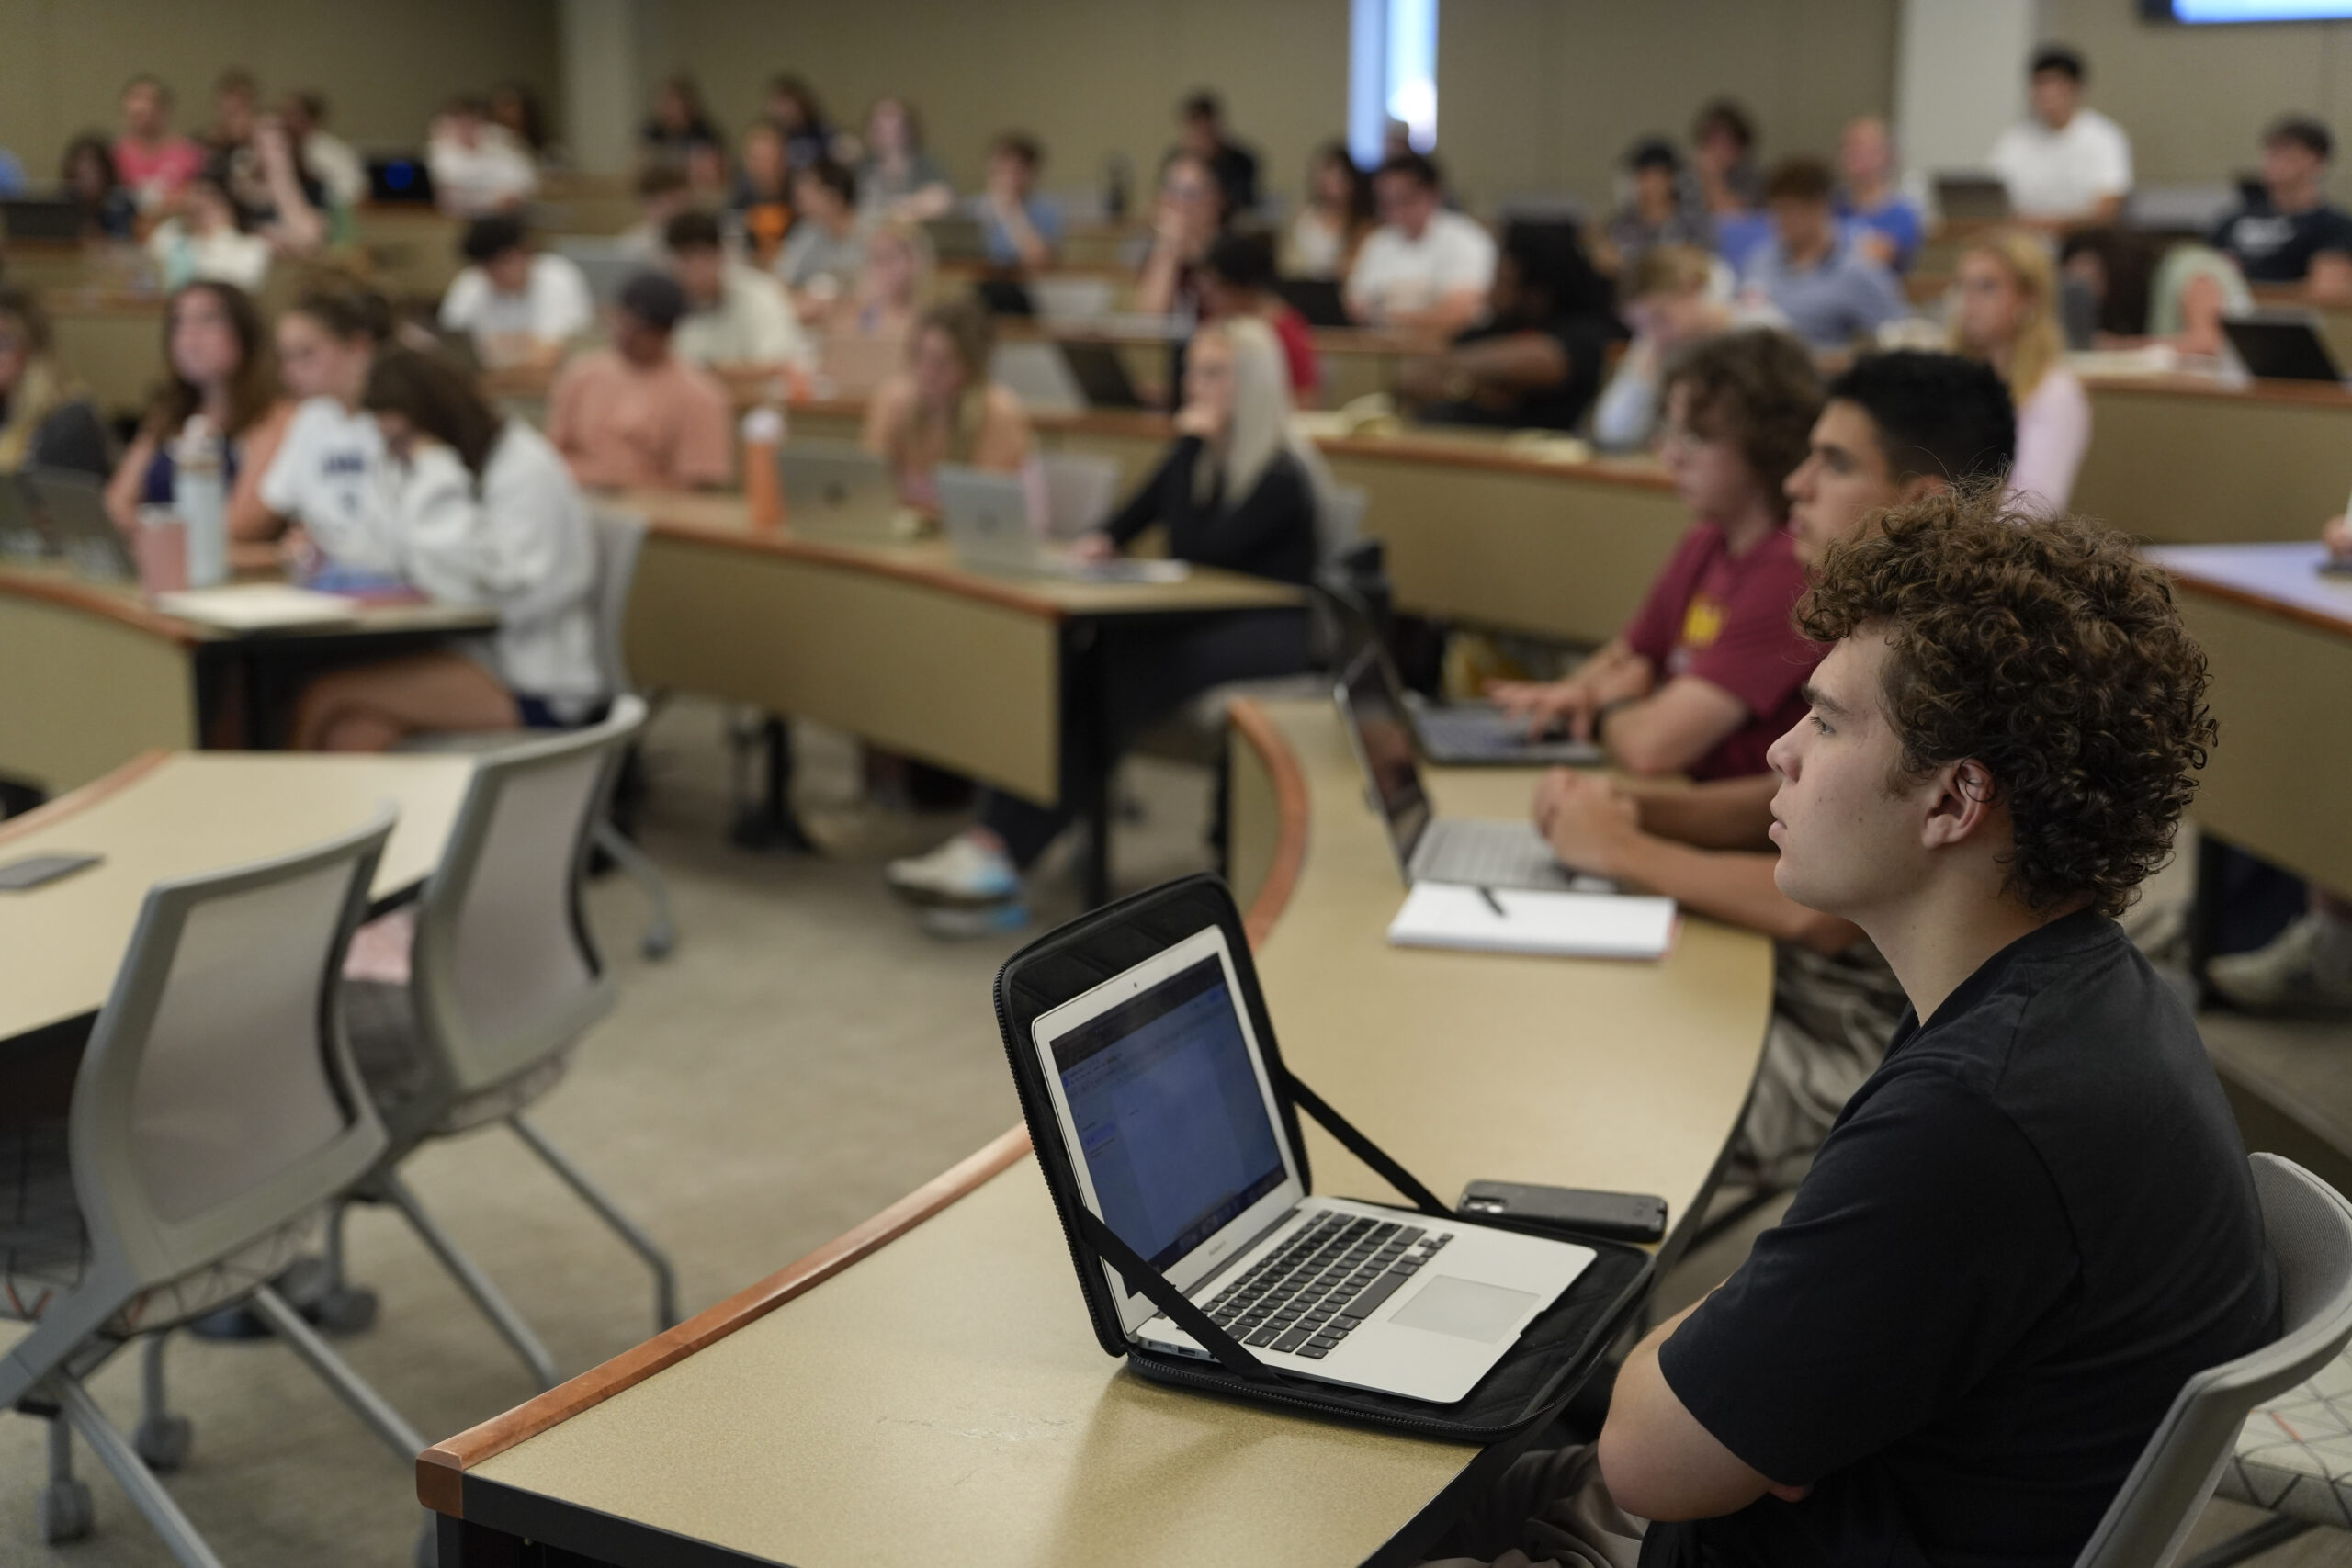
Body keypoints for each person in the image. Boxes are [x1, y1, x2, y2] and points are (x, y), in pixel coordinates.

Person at [1438, 492, 2275, 1568]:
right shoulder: (2085, 994)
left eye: (1828, 722)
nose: (1782, 752)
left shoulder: (1981, 1113)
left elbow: (1649, 1460)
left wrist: (1706, 1352)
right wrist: (1754, 1364)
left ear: (1952, 801)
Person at [1533, 352, 2016, 1188]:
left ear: (1922, 502)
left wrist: (1623, 851)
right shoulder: (1899, 623)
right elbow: (1802, 796)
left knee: (1576, 1098)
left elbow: (1827, 910)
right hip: (1825, 992)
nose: (1796, 484)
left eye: (1833, 463)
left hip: (1866, 1033)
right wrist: (1639, 812)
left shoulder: (1957, 665)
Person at [884, 317, 1317, 929]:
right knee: (1072, 661)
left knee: (1115, 675)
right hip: (1198, 617)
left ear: (1252, 385)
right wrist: (1096, 543)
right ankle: (993, 842)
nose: (1193, 384)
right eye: (1192, 370)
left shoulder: (1280, 475)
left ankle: (1005, 856)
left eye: (1213, 373)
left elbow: (1201, 548)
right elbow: (1124, 522)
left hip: (1273, 633)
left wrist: (1193, 445)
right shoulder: (1193, 455)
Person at [1487, 329, 1822, 781]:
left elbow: (1652, 749)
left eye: (1697, 438)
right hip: (1674, 788)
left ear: (1767, 444)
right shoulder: (1707, 540)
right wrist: (1572, 695)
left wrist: (1609, 705)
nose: (1671, 457)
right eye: (1670, 433)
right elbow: (1629, 656)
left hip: (1730, 819)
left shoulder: (1789, 570)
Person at [287, 349, 603, 749]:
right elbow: (389, 544)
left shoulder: (522, 468)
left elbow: (488, 585)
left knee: (325, 694)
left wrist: (435, 474)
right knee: (352, 734)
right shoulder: (414, 460)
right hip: (471, 652)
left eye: (402, 440)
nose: (396, 455)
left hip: (531, 673)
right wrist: (327, 550)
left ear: (434, 420)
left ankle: (285, 810)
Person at [103, 281, 290, 544]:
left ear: (246, 334)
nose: (189, 337)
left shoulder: (275, 417)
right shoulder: (168, 412)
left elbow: (240, 526)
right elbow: (116, 504)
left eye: (208, 320)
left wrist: (152, 533)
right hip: (158, 561)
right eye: (179, 323)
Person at [1403, 221, 1621, 433]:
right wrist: (1470, 389)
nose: (1491, 294)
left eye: (1504, 283)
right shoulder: (1488, 332)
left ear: (1537, 295)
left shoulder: (1583, 332)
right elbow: (1411, 378)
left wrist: (1461, 372)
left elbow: (1547, 359)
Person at [545, 272, 734, 492]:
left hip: (652, 515)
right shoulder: (582, 374)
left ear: (666, 332)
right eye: (624, 322)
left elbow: (697, 486)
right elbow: (553, 454)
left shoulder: (700, 395)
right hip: (574, 499)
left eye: (641, 329)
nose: (627, 334)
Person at [1949, 230, 2088, 513]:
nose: (1970, 300)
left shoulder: (2054, 391)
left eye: (1987, 287)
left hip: (1999, 547)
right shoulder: (1949, 378)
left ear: (2029, 299)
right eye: (1963, 286)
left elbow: (2031, 510)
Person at [257, 286, 394, 573]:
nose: (290, 372)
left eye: (306, 354)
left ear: (359, 347)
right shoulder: (310, 419)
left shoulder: (396, 422)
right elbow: (277, 509)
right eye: (286, 358)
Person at [1591, 244, 1776, 452]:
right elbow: (1613, 433)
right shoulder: (1655, 343)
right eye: (1642, 325)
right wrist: (1645, 377)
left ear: (1693, 288)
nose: (1655, 334)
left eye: (1660, 317)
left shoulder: (1759, 334)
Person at [860, 299, 1032, 512]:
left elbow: (984, 509)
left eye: (943, 362)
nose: (927, 373)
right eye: (920, 356)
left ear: (972, 367)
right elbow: (867, 490)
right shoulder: (893, 400)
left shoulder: (999, 412)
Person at [1736, 156, 1906, 359]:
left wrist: (1842, 361)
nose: (1780, 221)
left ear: (1819, 207)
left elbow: (1899, 339)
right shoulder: (1759, 261)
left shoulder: (1858, 272)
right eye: (1775, 211)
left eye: (1789, 210)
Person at [1345, 152, 1496, 334]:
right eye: (1386, 203)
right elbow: (1355, 304)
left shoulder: (1467, 239)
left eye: (1404, 200)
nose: (1395, 212)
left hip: (1448, 351)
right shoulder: (1378, 242)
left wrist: (1384, 315)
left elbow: (1459, 310)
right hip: (1381, 346)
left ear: (1433, 194)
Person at [2209, 115, 2352, 305]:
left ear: (2316, 161)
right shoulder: (2232, 220)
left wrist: (2243, 291)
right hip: (2231, 322)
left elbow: (2326, 291)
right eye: (2272, 152)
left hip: (2288, 325)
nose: (2276, 161)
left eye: (2287, 153)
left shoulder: (2333, 225)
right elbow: (2203, 279)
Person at [1989, 45, 2132, 230]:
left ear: (2076, 88)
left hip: (2079, 241)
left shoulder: (2104, 137)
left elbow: (2107, 210)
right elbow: (1991, 198)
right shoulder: (2016, 138)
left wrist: (2046, 225)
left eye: (2055, 84)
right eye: (2039, 84)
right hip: (2023, 241)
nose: (2046, 93)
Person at [2059, 225, 2248, 357]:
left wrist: (2117, 347)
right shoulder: (2135, 307)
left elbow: (2208, 343)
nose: (2089, 292)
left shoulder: (2189, 267)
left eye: (2092, 279)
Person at [438, 215, 594, 372]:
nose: (495, 273)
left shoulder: (559, 276)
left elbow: (550, 359)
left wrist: (495, 351)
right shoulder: (470, 282)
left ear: (526, 251)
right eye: (486, 266)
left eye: (502, 261)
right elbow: (450, 350)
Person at [666, 210, 810, 370]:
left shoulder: (760, 293)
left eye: (703, 257)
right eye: (686, 260)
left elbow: (776, 362)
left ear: (721, 254)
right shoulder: (668, 306)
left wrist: (710, 371)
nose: (696, 270)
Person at [0, 288, 111, 479]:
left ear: (33, 348)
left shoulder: (70, 420)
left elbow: (57, 505)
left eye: (3, 343)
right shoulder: (6, 406)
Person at [1201, 227, 1318, 400]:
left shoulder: (1286, 331)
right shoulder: (1216, 325)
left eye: (1216, 287)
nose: (1207, 296)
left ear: (1243, 286)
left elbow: (1305, 398)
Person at [1600, 137, 1711, 278]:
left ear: (1672, 179)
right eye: (1643, 177)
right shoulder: (1622, 223)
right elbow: (1611, 262)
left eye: (1657, 177)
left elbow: (1702, 263)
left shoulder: (1692, 222)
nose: (1650, 186)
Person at [1136, 152, 1229, 318]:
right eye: (1171, 190)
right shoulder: (1153, 251)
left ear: (1216, 200)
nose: (1178, 203)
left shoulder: (1233, 252)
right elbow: (1150, 321)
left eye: (1190, 193)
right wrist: (1167, 248)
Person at [145, 171, 273, 291]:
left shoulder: (251, 247)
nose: (199, 202)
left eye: (210, 197)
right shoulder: (170, 233)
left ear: (229, 204)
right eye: (194, 194)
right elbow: (148, 277)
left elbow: (240, 291)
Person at [776, 159, 866, 315]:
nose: (801, 201)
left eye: (810, 192)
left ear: (834, 197)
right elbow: (781, 282)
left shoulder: (873, 234)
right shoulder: (807, 232)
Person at [1834, 115, 1922, 272]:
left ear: (1887, 154)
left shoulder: (1903, 213)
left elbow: (1875, 259)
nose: (1854, 155)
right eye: (1848, 147)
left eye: (1863, 148)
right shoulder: (1829, 204)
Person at [427, 96, 538, 217]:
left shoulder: (498, 146)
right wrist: (490, 199)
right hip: (454, 221)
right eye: (461, 121)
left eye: (473, 120)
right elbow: (448, 193)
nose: (467, 126)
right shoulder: (440, 152)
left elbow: (523, 181)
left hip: (503, 218)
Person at [113, 74, 207, 211]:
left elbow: (200, 198)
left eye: (149, 101)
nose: (141, 107)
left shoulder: (189, 154)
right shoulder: (114, 156)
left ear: (164, 109)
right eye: (135, 99)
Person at [1284, 141, 1374, 279]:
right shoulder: (1304, 216)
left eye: (1336, 176)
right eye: (1322, 175)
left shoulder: (1362, 225)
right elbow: (1289, 262)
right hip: (1302, 285)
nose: (1327, 183)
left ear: (1351, 180)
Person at [855, 96, 954, 223]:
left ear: (910, 129)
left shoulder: (927, 165)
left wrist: (899, 210)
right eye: (881, 128)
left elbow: (943, 201)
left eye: (897, 127)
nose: (889, 134)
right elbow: (854, 211)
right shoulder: (861, 169)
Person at [975, 131, 1061, 270]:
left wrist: (1011, 212)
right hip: (978, 283)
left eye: (1014, 171)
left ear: (1030, 173)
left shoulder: (1045, 210)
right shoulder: (974, 207)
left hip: (1026, 285)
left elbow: (1039, 259)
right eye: (999, 170)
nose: (1006, 178)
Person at [1175, 90, 1260, 213]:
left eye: (1206, 130)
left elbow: (1243, 203)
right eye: (1197, 130)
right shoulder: (1176, 161)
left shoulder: (1241, 162)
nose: (1202, 136)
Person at [281, 92, 366, 214]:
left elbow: (356, 191)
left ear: (310, 118)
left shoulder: (333, 152)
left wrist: (316, 184)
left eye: (292, 114)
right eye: (285, 113)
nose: (286, 120)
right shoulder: (277, 148)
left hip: (327, 215)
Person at [732, 119, 797, 268]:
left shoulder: (801, 197)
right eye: (757, 159)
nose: (764, 167)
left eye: (770, 159)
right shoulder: (739, 199)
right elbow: (735, 245)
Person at [1690, 98, 1763, 216]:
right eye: (1711, 143)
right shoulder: (1688, 178)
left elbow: (1734, 217)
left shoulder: (1752, 178)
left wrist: (1712, 178)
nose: (1717, 152)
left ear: (1741, 149)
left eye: (1724, 144)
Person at [59, 134, 137, 242]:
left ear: (106, 173)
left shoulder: (120, 205)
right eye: (81, 176)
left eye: (94, 173)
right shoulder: (62, 204)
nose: (88, 181)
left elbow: (125, 241)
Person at [642, 74, 718, 167]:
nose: (676, 109)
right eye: (670, 103)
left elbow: (714, 162)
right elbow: (641, 160)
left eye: (680, 103)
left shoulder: (704, 131)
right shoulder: (652, 131)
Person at [765, 75, 838, 168]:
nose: (784, 111)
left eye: (787, 103)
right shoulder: (772, 137)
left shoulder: (823, 134)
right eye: (777, 104)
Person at [489, 82, 550, 161]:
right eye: (498, 105)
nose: (501, 110)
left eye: (509, 103)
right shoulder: (488, 140)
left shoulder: (545, 148)